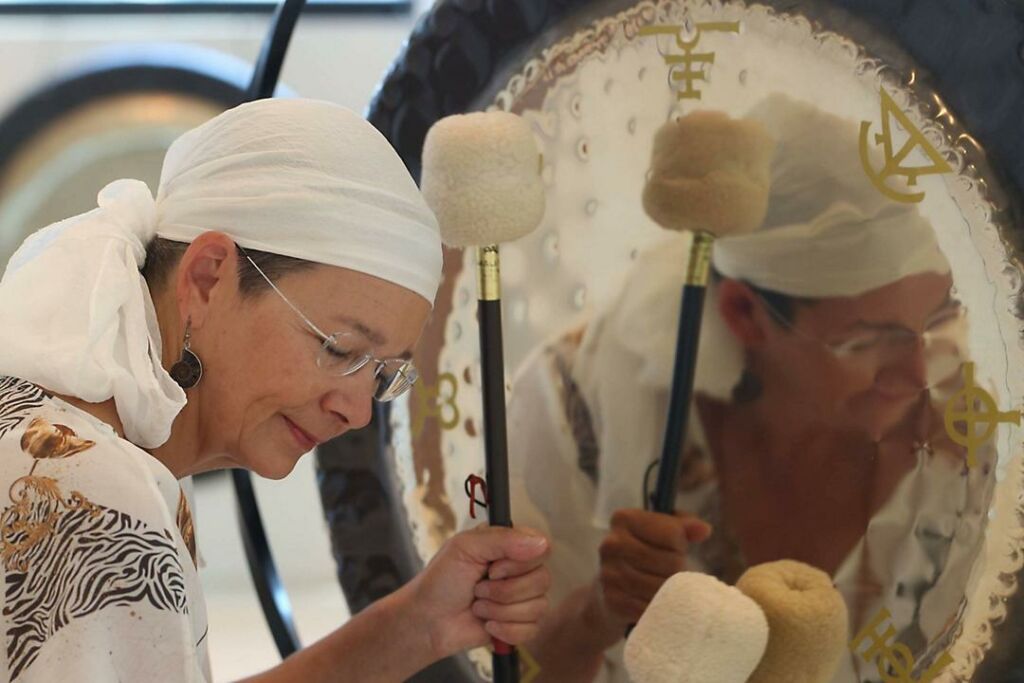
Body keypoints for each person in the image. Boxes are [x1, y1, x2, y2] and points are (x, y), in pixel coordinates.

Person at [0, 98, 551, 682]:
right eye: (339, 349)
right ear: (209, 277)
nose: (358, 411)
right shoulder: (94, 496)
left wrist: (421, 623)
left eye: (383, 374)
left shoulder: (60, 429)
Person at [508, 94, 993, 682]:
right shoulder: (570, 411)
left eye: (937, 321)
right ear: (745, 314)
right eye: (867, 341)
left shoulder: (969, 440)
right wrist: (594, 616)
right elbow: (494, 668)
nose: (917, 375)